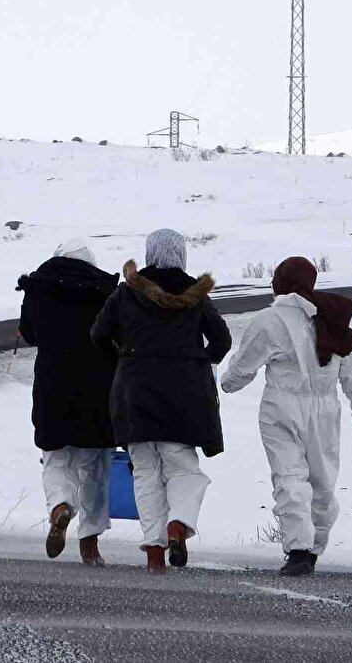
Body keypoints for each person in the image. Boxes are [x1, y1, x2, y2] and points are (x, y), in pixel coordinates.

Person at [220, 256, 352, 577]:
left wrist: (227, 382)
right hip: (326, 411)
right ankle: (313, 547)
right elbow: (351, 369)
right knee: (323, 481)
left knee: (289, 477)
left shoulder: (269, 320)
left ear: (280, 282)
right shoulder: (333, 316)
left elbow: (239, 371)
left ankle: (300, 550)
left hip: (281, 408)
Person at [91, 229, 231, 573]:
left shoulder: (126, 293)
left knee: (146, 474)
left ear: (150, 252)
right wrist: (198, 361)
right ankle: (177, 526)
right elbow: (222, 340)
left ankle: (154, 552)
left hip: (134, 392)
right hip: (184, 395)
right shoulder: (195, 294)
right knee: (184, 469)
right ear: (181, 255)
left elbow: (98, 334)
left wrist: (124, 361)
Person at [17, 238, 121, 566]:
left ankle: (60, 507)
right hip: (98, 387)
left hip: (53, 385)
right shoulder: (106, 292)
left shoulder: (40, 288)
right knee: (95, 466)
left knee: (56, 457)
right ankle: (89, 545)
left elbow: (29, 333)